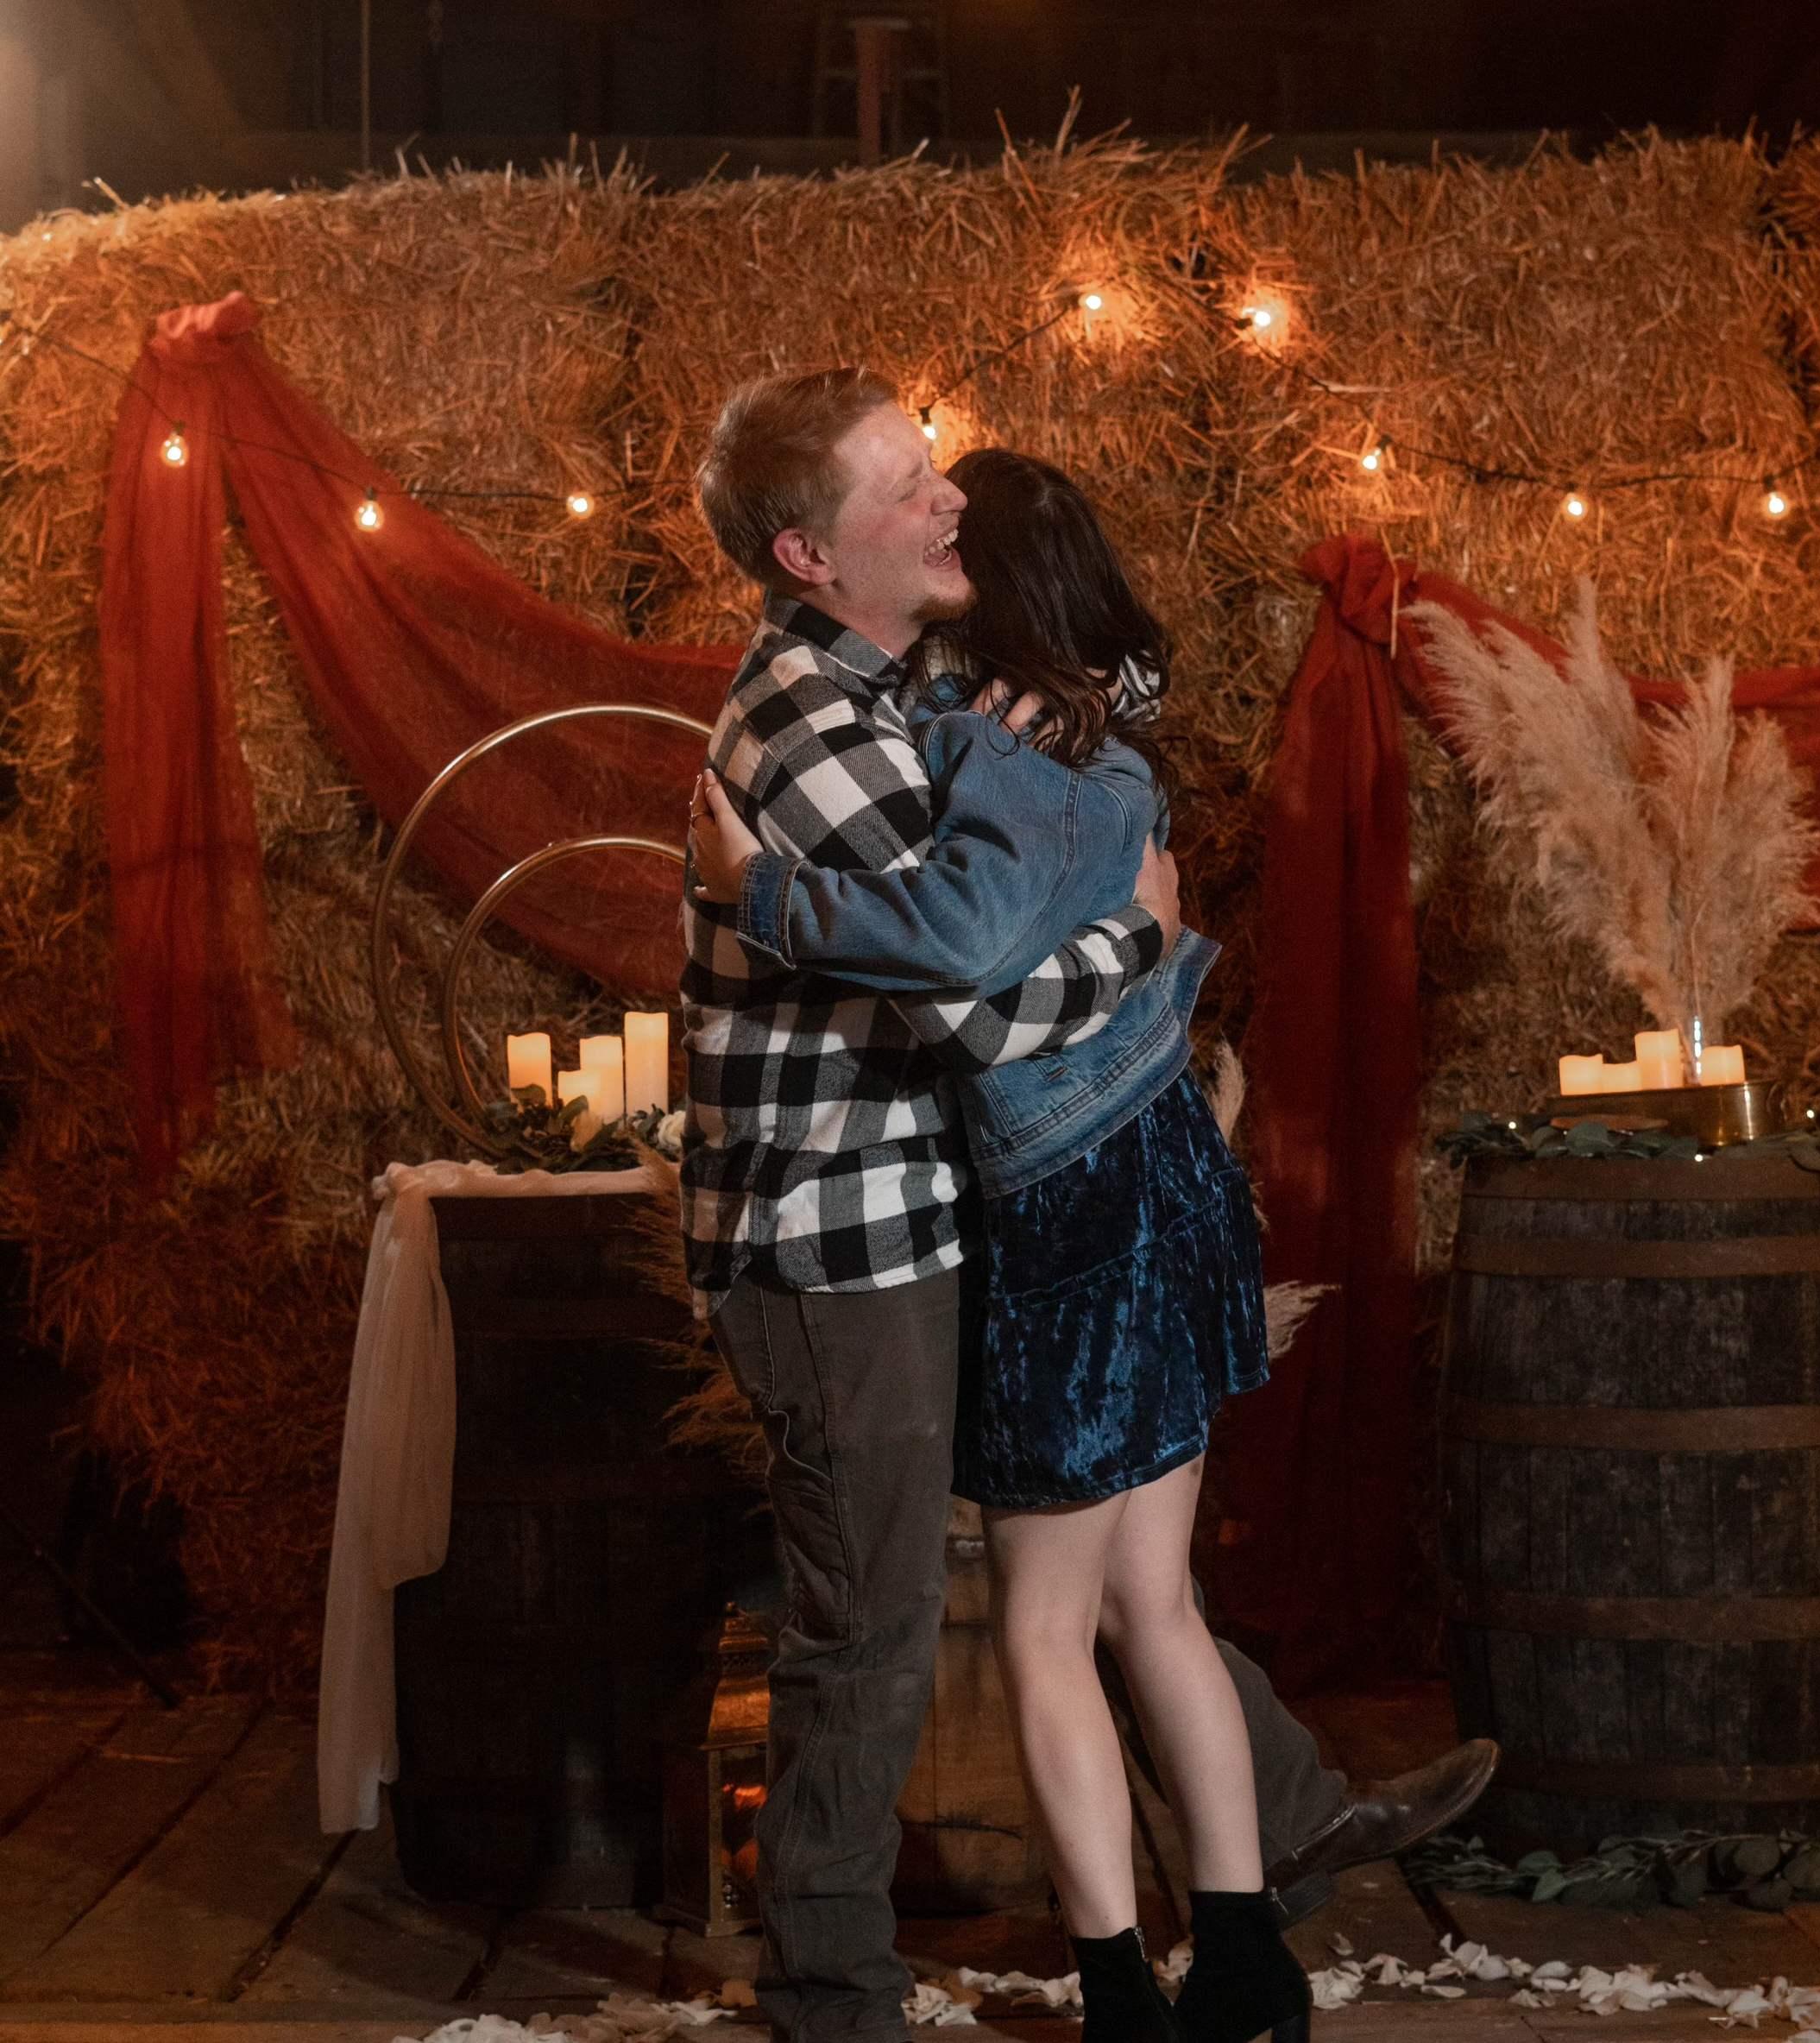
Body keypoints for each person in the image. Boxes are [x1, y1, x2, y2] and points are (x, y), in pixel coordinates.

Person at [681, 369, 1496, 2043]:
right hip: (840, 1240)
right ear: (808, 553)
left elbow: (1031, 861)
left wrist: (1102, 890)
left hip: (957, 1207)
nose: (945, 499)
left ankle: (1261, 1849)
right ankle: (834, 1998)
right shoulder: (814, 729)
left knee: (1099, 1569)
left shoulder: (923, 696)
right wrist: (1147, 933)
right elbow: (983, 1003)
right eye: (905, 483)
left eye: (934, 470)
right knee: (877, 1624)